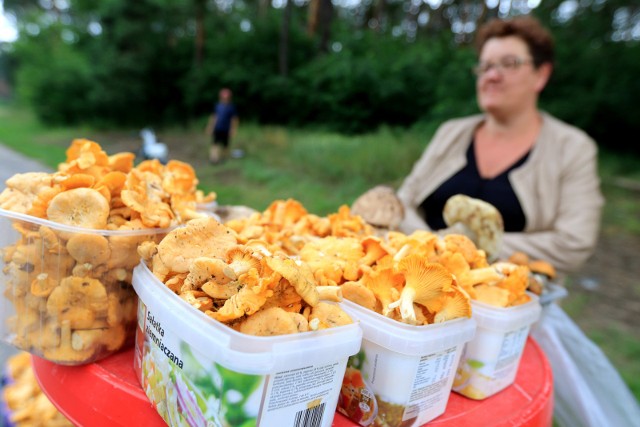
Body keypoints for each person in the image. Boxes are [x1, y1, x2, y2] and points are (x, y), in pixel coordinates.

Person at [396, 15, 604, 277]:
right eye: (485, 67)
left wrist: (464, 250)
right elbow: (403, 201)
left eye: (509, 64)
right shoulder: (451, 132)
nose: (492, 76)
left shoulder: (573, 148)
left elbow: (573, 243)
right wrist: (428, 245)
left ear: (541, 74)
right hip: (421, 280)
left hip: (510, 302)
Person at [205, 88, 239, 164]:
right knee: (215, 143)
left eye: (226, 98)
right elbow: (214, 117)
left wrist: (233, 129)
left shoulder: (231, 107)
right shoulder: (217, 106)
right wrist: (210, 127)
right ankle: (214, 159)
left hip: (226, 128)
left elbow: (234, 119)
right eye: (223, 97)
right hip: (218, 128)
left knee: (225, 145)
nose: (225, 99)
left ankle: (224, 158)